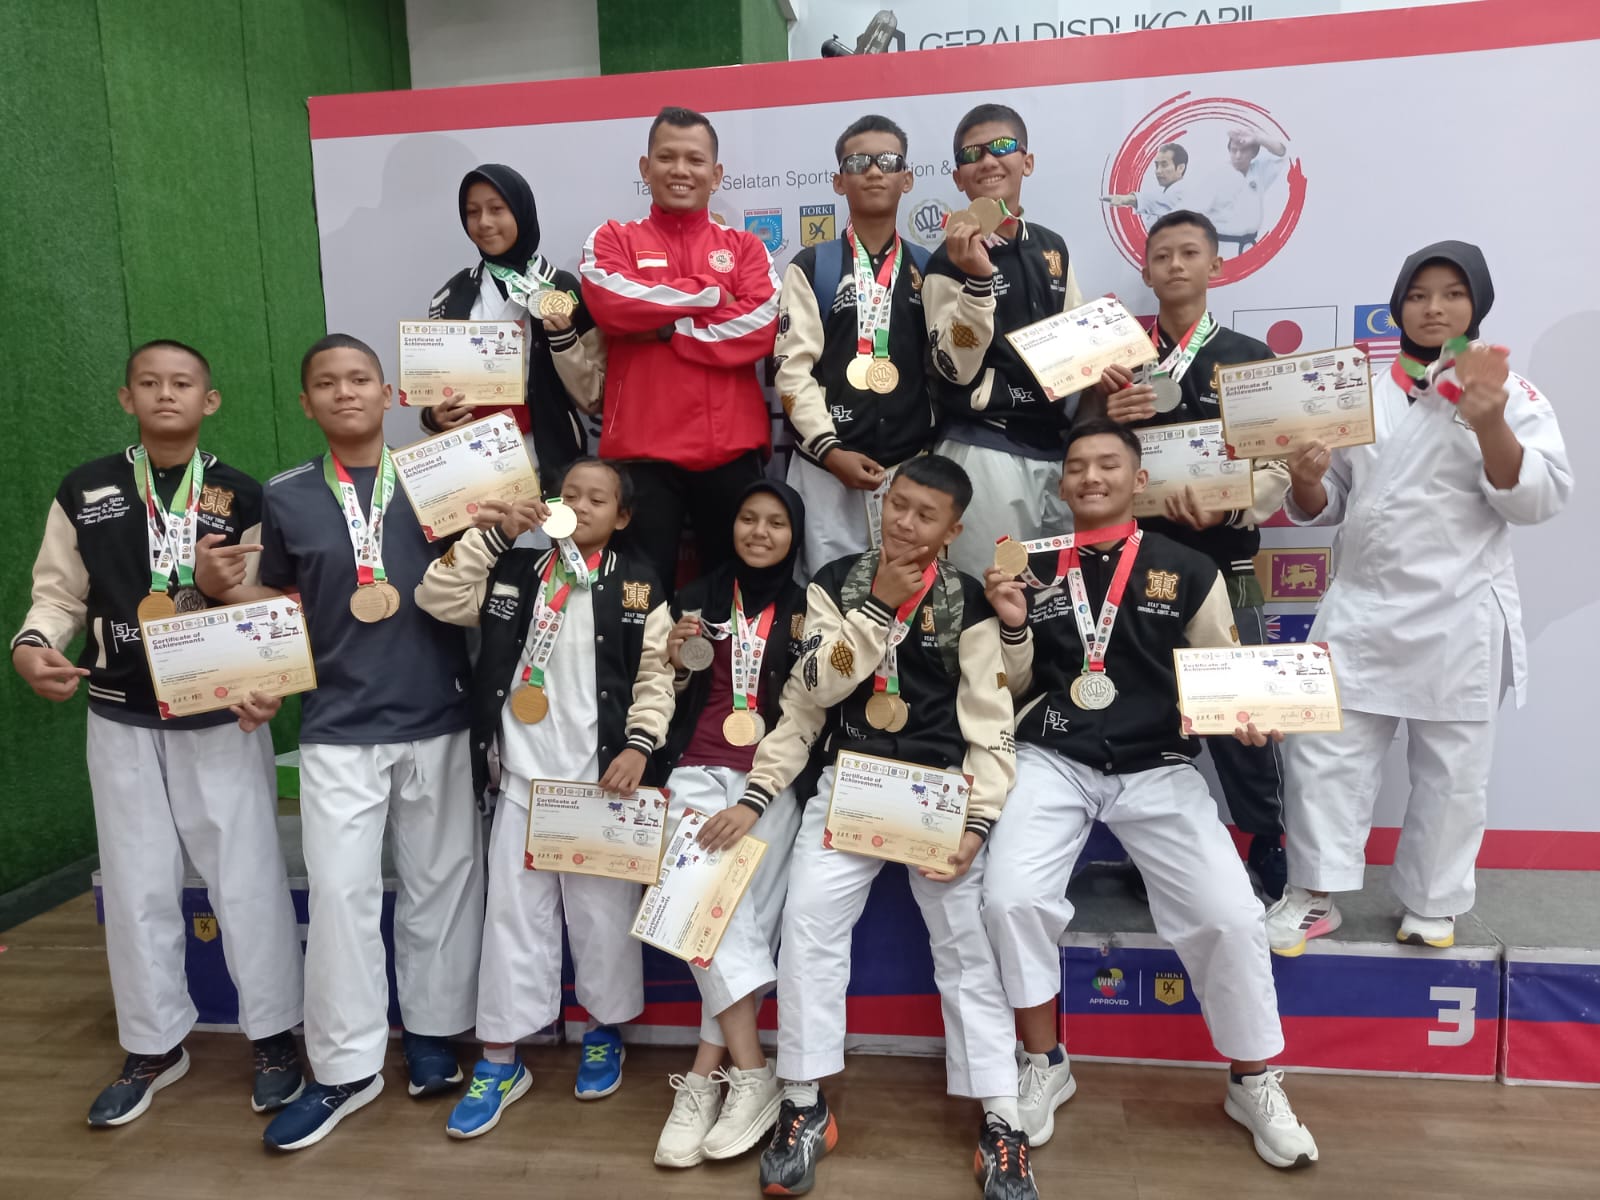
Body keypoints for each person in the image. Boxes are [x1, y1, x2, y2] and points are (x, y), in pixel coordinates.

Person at [981, 420, 1319, 1171]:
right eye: (1076, 466)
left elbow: (1222, 668)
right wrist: (1012, 628)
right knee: (1010, 898)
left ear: (1139, 482)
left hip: (1158, 764)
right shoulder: (1026, 565)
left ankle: (1253, 1080)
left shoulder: (1187, 567)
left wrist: (1246, 716)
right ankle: (1044, 1062)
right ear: (1061, 483)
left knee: (1232, 914)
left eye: (1108, 465)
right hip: (1053, 755)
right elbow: (1011, 687)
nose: (1090, 477)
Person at [195, 334, 485, 1151]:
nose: (345, 392)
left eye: (360, 379)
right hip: (337, 725)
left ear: (389, 395)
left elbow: (483, 571)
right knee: (340, 896)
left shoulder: (436, 479)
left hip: (439, 713)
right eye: (327, 382)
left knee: (442, 885)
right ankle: (347, 1066)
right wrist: (219, 594)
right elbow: (276, 603)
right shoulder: (287, 495)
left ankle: (433, 1033)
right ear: (306, 403)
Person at [10, 340, 304, 1127]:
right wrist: (33, 645)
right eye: (149, 382)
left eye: (181, 383)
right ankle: (153, 1043)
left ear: (210, 401)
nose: (165, 394)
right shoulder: (86, 490)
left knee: (246, 878)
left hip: (219, 714)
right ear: (126, 397)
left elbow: (264, 604)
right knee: (137, 883)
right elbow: (58, 596)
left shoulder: (242, 494)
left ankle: (274, 1036)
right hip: (120, 710)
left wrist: (266, 683)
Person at [727, 456, 1035, 1199]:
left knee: (966, 941)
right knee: (807, 924)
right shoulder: (835, 582)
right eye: (899, 505)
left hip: (938, 792)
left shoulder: (969, 599)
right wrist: (876, 609)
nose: (905, 522)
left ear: (953, 530)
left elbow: (991, 723)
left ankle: (1002, 1120)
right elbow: (814, 690)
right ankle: (804, 1104)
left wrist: (976, 825)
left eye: (926, 515)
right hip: (853, 781)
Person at [1265, 242, 1572, 954]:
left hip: (1459, 609)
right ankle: (1313, 895)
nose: (1435, 308)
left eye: (1453, 294)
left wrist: (1489, 421)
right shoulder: (1357, 392)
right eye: (1419, 294)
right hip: (1362, 605)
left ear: (1478, 303)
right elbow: (1328, 501)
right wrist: (1305, 476)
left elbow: (1537, 500)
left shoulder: (1511, 392)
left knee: (1452, 772)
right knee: (1321, 756)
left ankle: (1433, 902)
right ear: (1398, 306)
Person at [412, 457, 676, 1139]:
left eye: (598, 499)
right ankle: (501, 1057)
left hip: (599, 783)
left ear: (621, 516)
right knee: (513, 921)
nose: (580, 506)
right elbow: (437, 596)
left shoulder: (639, 585)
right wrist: (498, 533)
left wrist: (639, 746)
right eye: (570, 494)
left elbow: (656, 678)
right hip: (524, 781)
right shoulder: (515, 571)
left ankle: (602, 1032)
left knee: (601, 919)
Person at [1093, 210, 1291, 898]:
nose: (1175, 265)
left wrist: (1227, 507)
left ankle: (1267, 844)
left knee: (1243, 714)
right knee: (1145, 713)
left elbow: (1276, 465)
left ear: (1216, 265)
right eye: (1162, 256)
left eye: (1188, 253)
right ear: (1146, 272)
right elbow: (1088, 462)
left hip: (1225, 560)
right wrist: (1104, 417)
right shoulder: (1118, 367)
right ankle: (1150, 854)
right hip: (1136, 565)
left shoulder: (1248, 356)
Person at [648, 480, 809, 1168]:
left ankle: (704, 1075)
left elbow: (808, 712)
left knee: (734, 922)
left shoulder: (809, 609)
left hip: (768, 783)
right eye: (748, 518)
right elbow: (656, 690)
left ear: (795, 535)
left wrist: (753, 800)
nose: (760, 532)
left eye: (776, 522)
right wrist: (673, 663)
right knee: (698, 905)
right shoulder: (690, 599)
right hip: (692, 768)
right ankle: (751, 1071)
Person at [580, 106, 779, 595]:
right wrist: (709, 293)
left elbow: (761, 323)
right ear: (645, 168)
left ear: (716, 174)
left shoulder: (747, 248)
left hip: (728, 450)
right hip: (642, 452)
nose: (680, 170)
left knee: (736, 598)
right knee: (637, 600)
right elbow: (611, 301)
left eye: (695, 159)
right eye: (666, 157)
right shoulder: (613, 238)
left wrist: (669, 332)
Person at [925, 102, 1085, 577]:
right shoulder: (947, 259)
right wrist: (977, 281)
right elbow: (956, 368)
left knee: (1060, 601)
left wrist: (1110, 364)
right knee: (990, 593)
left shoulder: (1053, 247)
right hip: (985, 446)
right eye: (972, 154)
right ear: (959, 178)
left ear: (1026, 161)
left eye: (1001, 146)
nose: (988, 160)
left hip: (1056, 449)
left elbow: (1076, 345)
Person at [774, 114, 935, 576]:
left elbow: (944, 369)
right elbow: (792, 368)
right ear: (839, 180)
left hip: (909, 468)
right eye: (859, 162)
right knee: (825, 594)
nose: (874, 171)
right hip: (826, 470)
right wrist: (828, 449)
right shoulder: (812, 265)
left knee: (910, 594)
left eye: (888, 161)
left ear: (907, 178)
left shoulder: (930, 267)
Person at [423, 164, 605, 485]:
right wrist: (434, 417)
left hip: (553, 461)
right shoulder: (451, 296)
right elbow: (435, 392)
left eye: (497, 209)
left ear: (521, 211)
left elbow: (593, 398)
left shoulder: (564, 290)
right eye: (472, 212)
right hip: (475, 469)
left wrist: (563, 340)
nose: (484, 222)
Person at [1208, 131, 1288, 256]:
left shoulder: (1259, 171)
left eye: (1243, 151)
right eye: (1234, 150)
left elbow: (1282, 153)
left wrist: (1257, 138)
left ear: (1254, 153)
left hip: (1249, 246)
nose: (1238, 156)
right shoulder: (1217, 174)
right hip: (1221, 246)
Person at [1101, 142, 1210, 224]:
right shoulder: (1167, 195)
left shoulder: (1182, 193)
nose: (1158, 171)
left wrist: (1127, 199)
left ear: (1181, 168)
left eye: (1164, 165)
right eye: (1157, 165)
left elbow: (1160, 200)